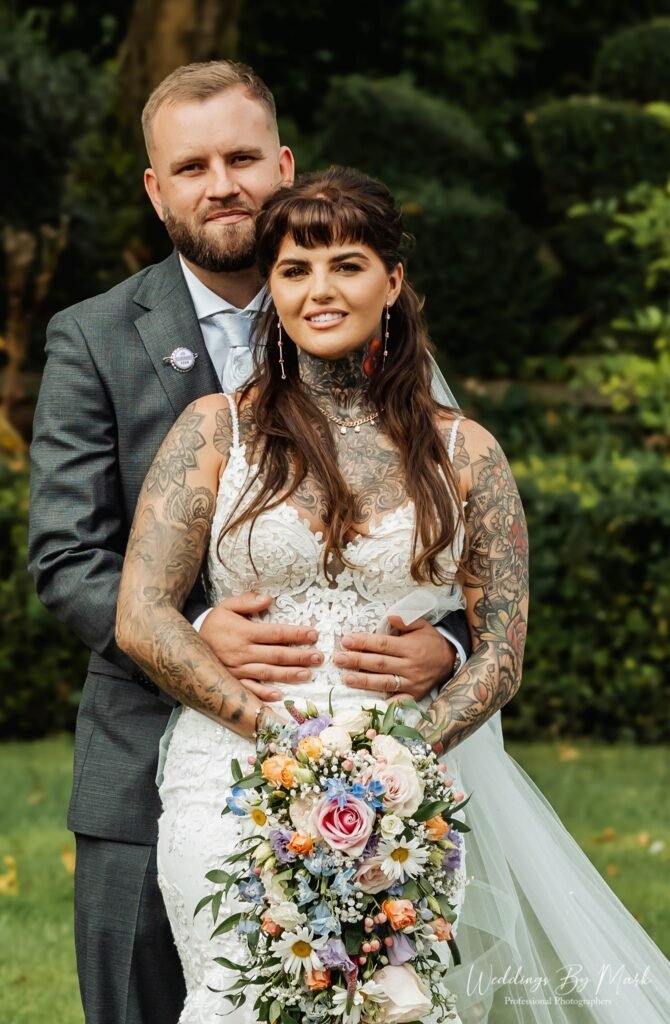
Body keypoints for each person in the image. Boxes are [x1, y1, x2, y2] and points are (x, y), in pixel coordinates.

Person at [117, 167, 670, 1024]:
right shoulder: (213, 431)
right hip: (230, 773)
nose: (319, 290)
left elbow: (502, 651)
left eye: (346, 265)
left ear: (393, 280)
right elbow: (142, 616)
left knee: (392, 1003)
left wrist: (398, 763)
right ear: (271, 289)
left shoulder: (467, 454)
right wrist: (283, 744)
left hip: (405, 791)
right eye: (294, 270)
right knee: (234, 998)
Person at [28, 62, 467, 1024]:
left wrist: (451, 642)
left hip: (373, 778)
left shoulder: (373, 328)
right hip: (148, 776)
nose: (222, 185)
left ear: (284, 165)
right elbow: (65, 556)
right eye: (192, 168)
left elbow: (451, 529)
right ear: (156, 190)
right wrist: (189, 634)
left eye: (242, 158)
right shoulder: (94, 338)